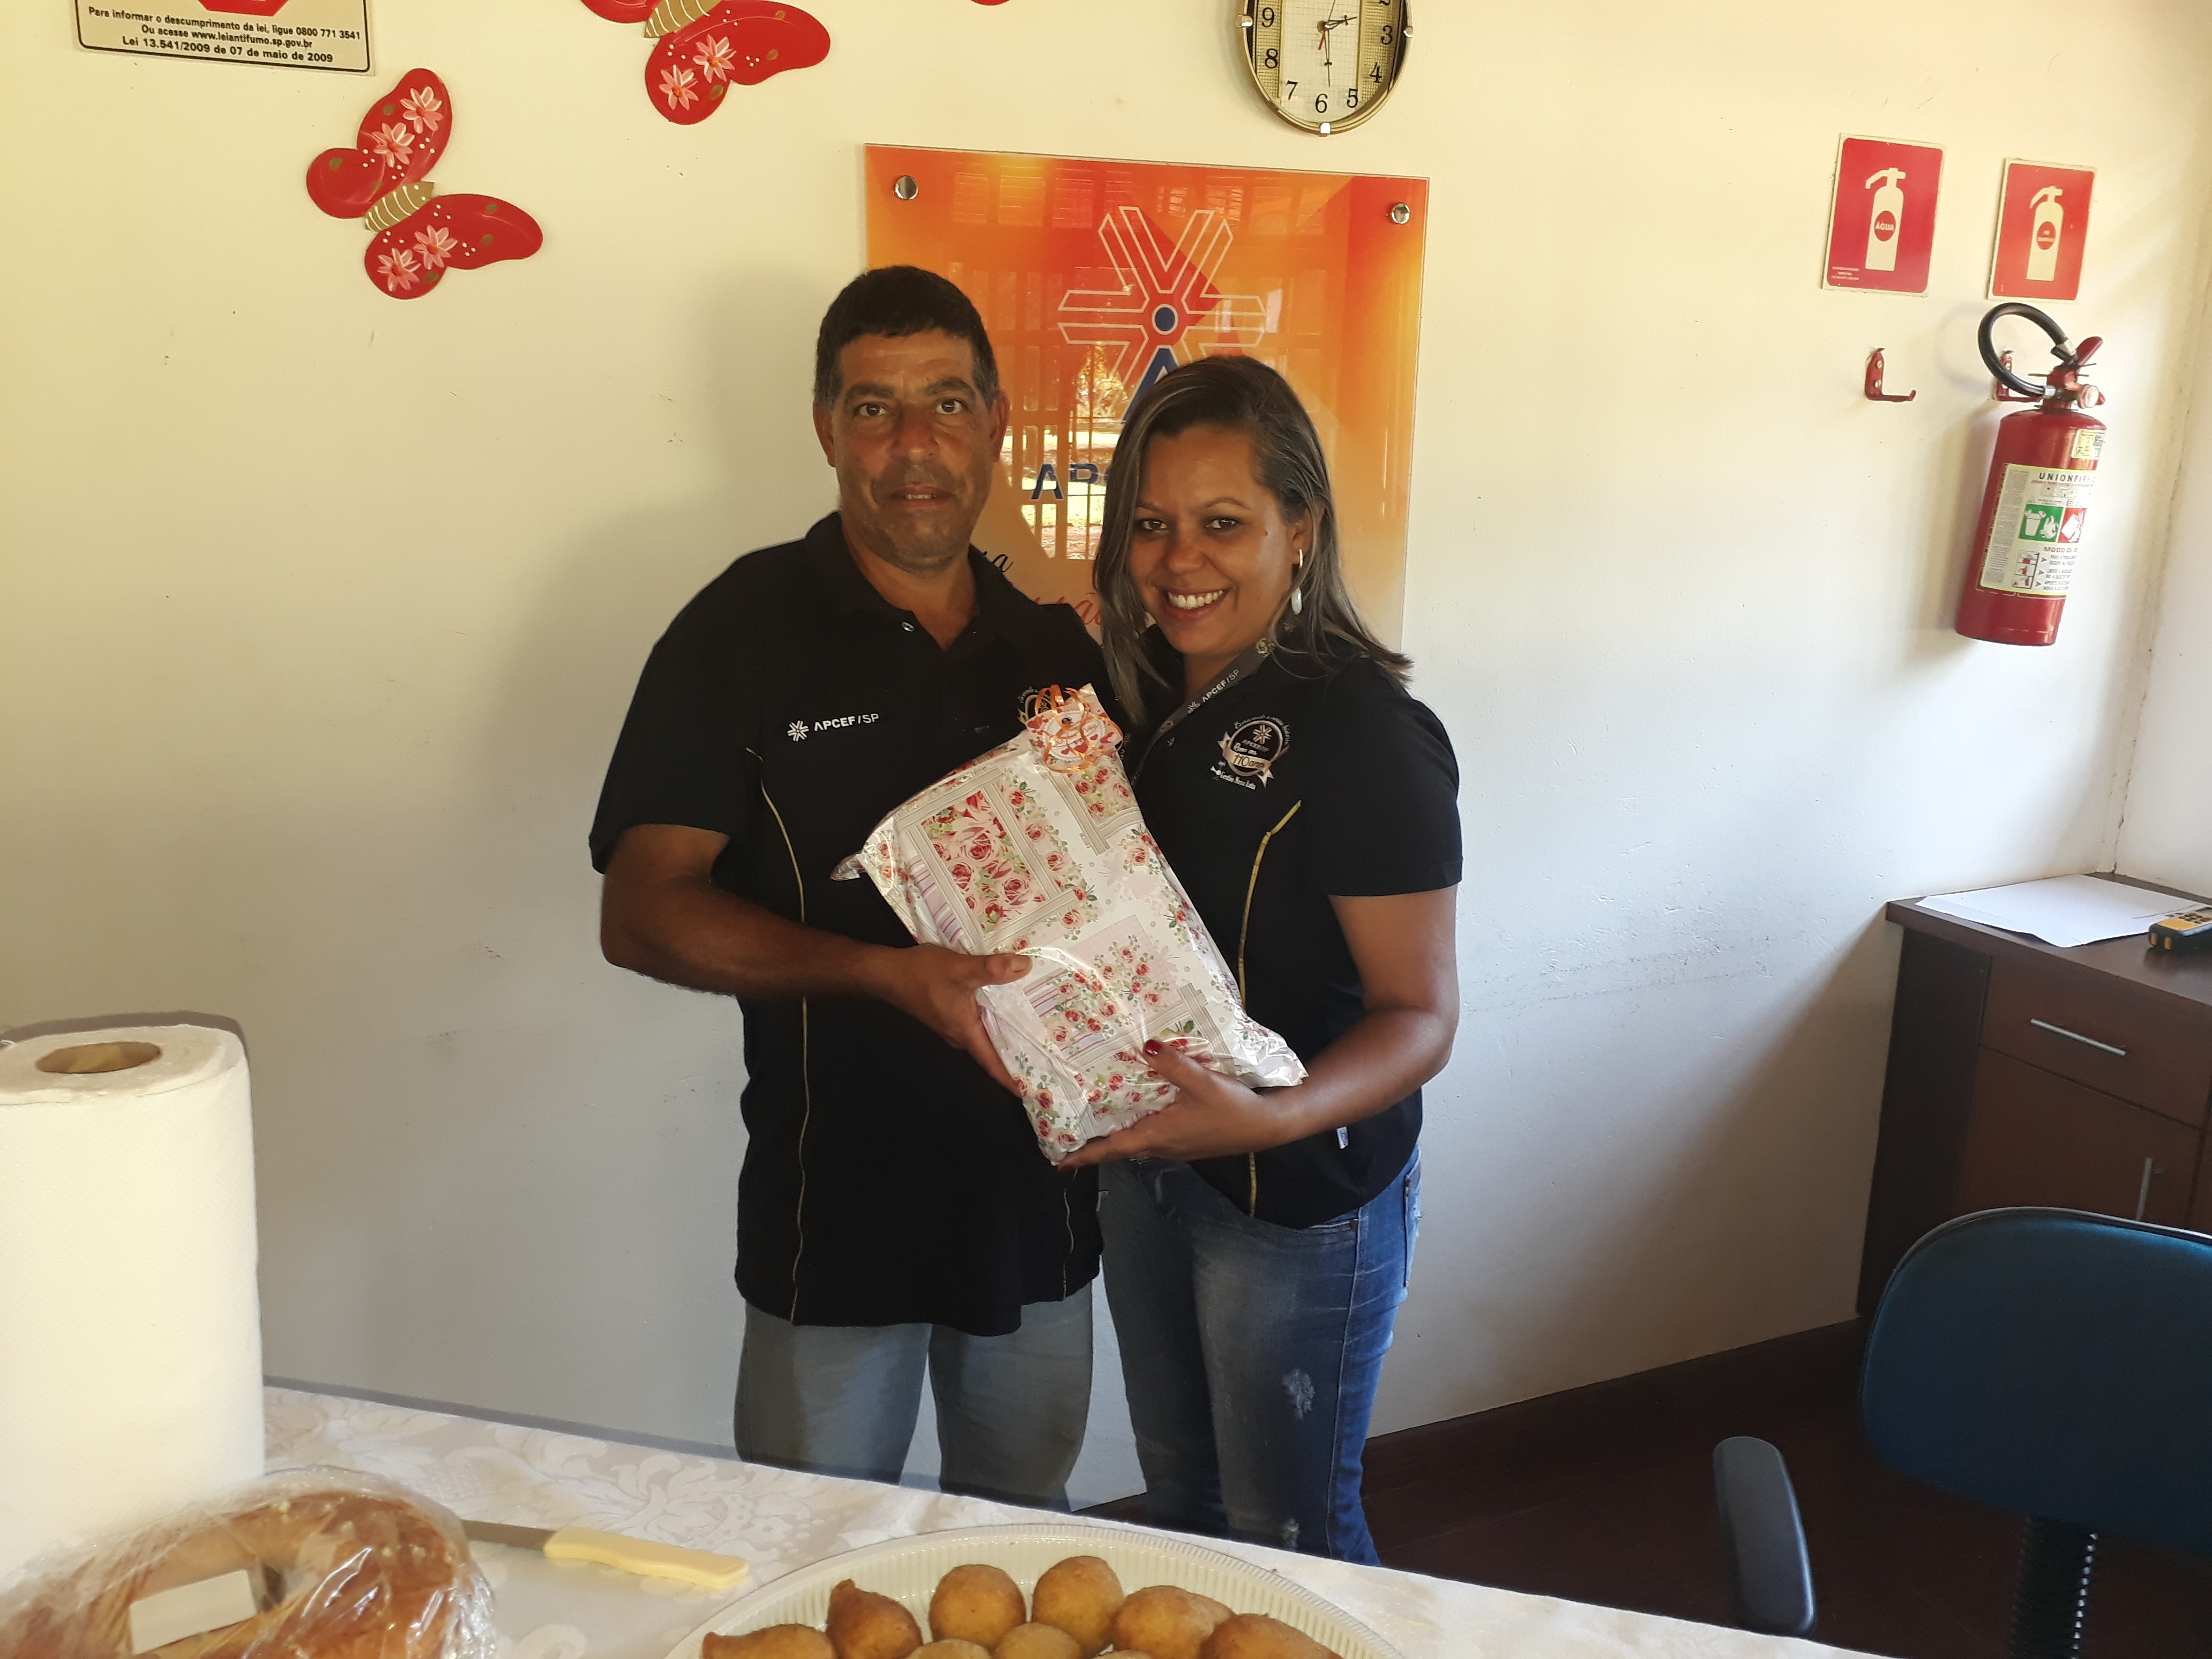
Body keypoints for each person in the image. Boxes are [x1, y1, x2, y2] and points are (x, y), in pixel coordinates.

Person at [589, 266, 1107, 1508]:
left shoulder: (1055, 649)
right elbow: (643, 908)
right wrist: (885, 976)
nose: (914, 444)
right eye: (875, 408)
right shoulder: (739, 631)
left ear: (997, 424)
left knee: (1018, 1551)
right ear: (827, 428)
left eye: (948, 403)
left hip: (1038, 1217)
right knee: (810, 1562)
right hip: (834, 1225)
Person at [1062, 356, 1461, 1562]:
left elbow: (1420, 1015)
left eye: (1223, 523)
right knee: (1182, 1508)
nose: (1179, 560)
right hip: (1152, 1170)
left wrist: (1272, 1119)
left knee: (1291, 1536)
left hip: (1297, 1198)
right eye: (1151, 524)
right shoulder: (1130, 701)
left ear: (1302, 530)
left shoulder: (1367, 732)